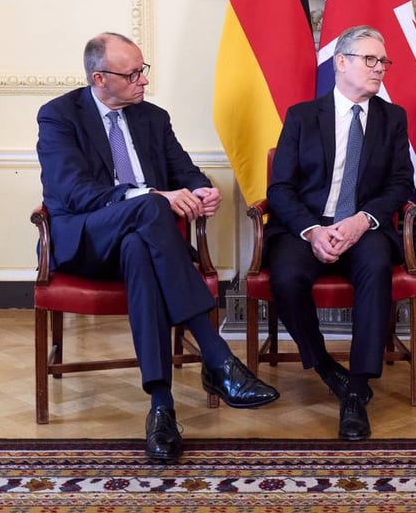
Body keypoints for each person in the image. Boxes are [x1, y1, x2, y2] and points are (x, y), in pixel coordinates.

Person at [36, 32, 278, 463]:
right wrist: (151, 195)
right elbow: (72, 192)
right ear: (99, 78)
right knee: (149, 207)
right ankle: (217, 357)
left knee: (138, 248)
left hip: (141, 245)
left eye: (142, 71)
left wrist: (204, 192)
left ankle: (161, 408)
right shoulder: (59, 116)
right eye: (131, 75)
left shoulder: (152, 118)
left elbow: (185, 170)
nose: (142, 81)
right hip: (86, 242)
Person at [265, 25, 416, 441]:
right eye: (370, 59)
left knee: (375, 266)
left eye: (383, 61)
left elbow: (400, 183)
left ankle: (358, 386)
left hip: (363, 226)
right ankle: (325, 365)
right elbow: (279, 188)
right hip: (306, 226)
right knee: (287, 277)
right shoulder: (301, 116)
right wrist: (313, 231)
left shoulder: (392, 118)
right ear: (341, 63)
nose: (380, 68)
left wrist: (361, 221)